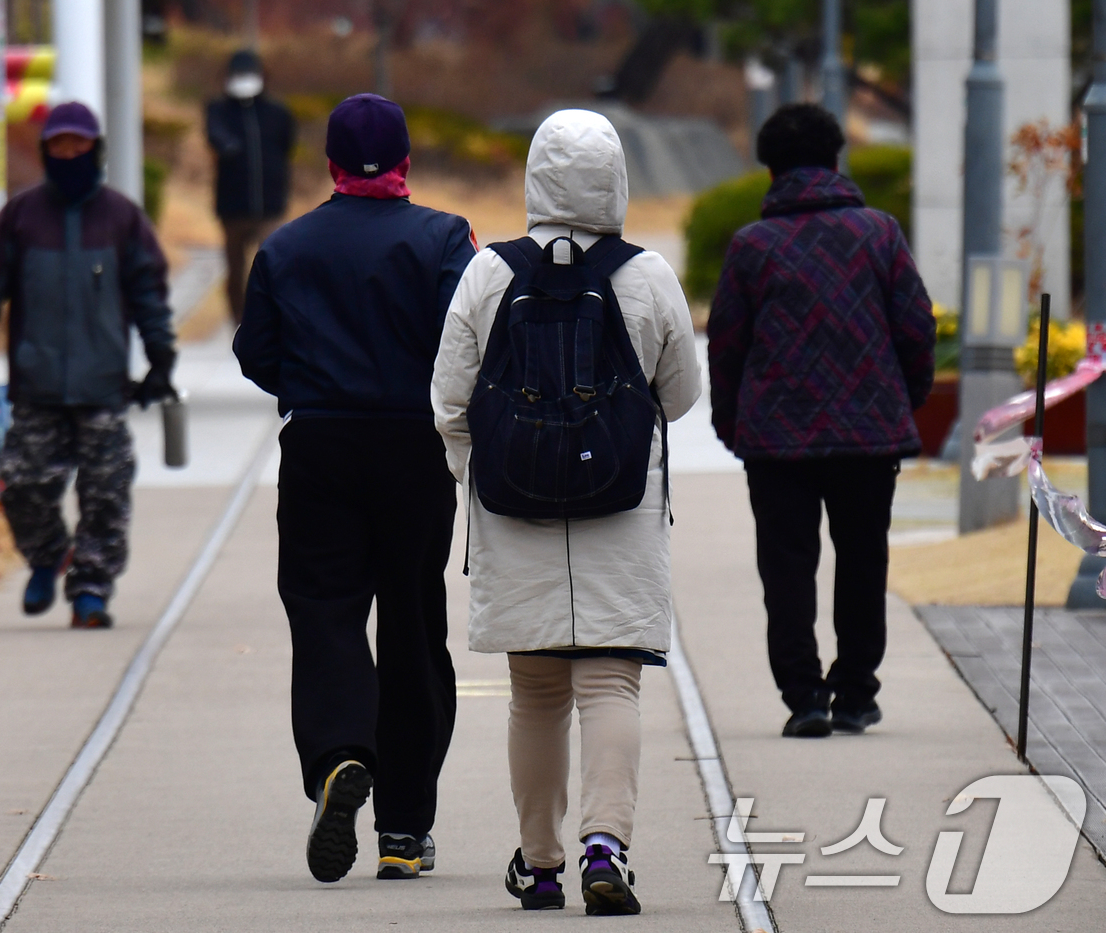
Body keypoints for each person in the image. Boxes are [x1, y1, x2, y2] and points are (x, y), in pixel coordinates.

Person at [432, 110, 700, 915]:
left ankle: (541, 863)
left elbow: (449, 399)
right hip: (619, 509)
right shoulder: (646, 274)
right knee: (612, 684)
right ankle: (605, 844)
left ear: (534, 178)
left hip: (514, 512)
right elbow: (681, 395)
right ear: (617, 179)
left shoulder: (488, 274)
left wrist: (480, 469)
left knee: (536, 693)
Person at [233, 94, 476, 884]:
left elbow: (255, 352)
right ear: (406, 159)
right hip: (413, 444)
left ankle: (341, 754)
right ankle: (405, 829)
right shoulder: (445, 239)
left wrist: (311, 385)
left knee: (326, 610)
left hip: (321, 444)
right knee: (413, 624)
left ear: (330, 162)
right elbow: (467, 341)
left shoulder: (286, 246)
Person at [707, 104, 936, 738]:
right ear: (837, 160)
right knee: (863, 560)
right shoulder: (879, 233)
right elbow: (917, 327)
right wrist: (902, 397)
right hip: (870, 433)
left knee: (786, 568)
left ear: (771, 169)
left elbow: (726, 344)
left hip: (777, 441)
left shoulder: (753, 246)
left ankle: (804, 696)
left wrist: (733, 423)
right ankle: (857, 693)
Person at [0, 101, 176, 629]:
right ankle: (49, 556)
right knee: (22, 488)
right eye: (60, 146)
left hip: (104, 387)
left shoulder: (122, 218)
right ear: (47, 151)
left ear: (95, 150)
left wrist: (161, 357)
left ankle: (91, 592)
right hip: (37, 386)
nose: (70, 154)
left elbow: (149, 294)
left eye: (79, 145)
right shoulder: (19, 217)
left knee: (105, 497)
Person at [206, 49, 297, 325]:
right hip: (232, 208)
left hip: (270, 207)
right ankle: (239, 320)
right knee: (235, 269)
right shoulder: (218, 111)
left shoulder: (277, 113)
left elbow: (286, 146)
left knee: (270, 264)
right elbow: (215, 138)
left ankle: (268, 320)